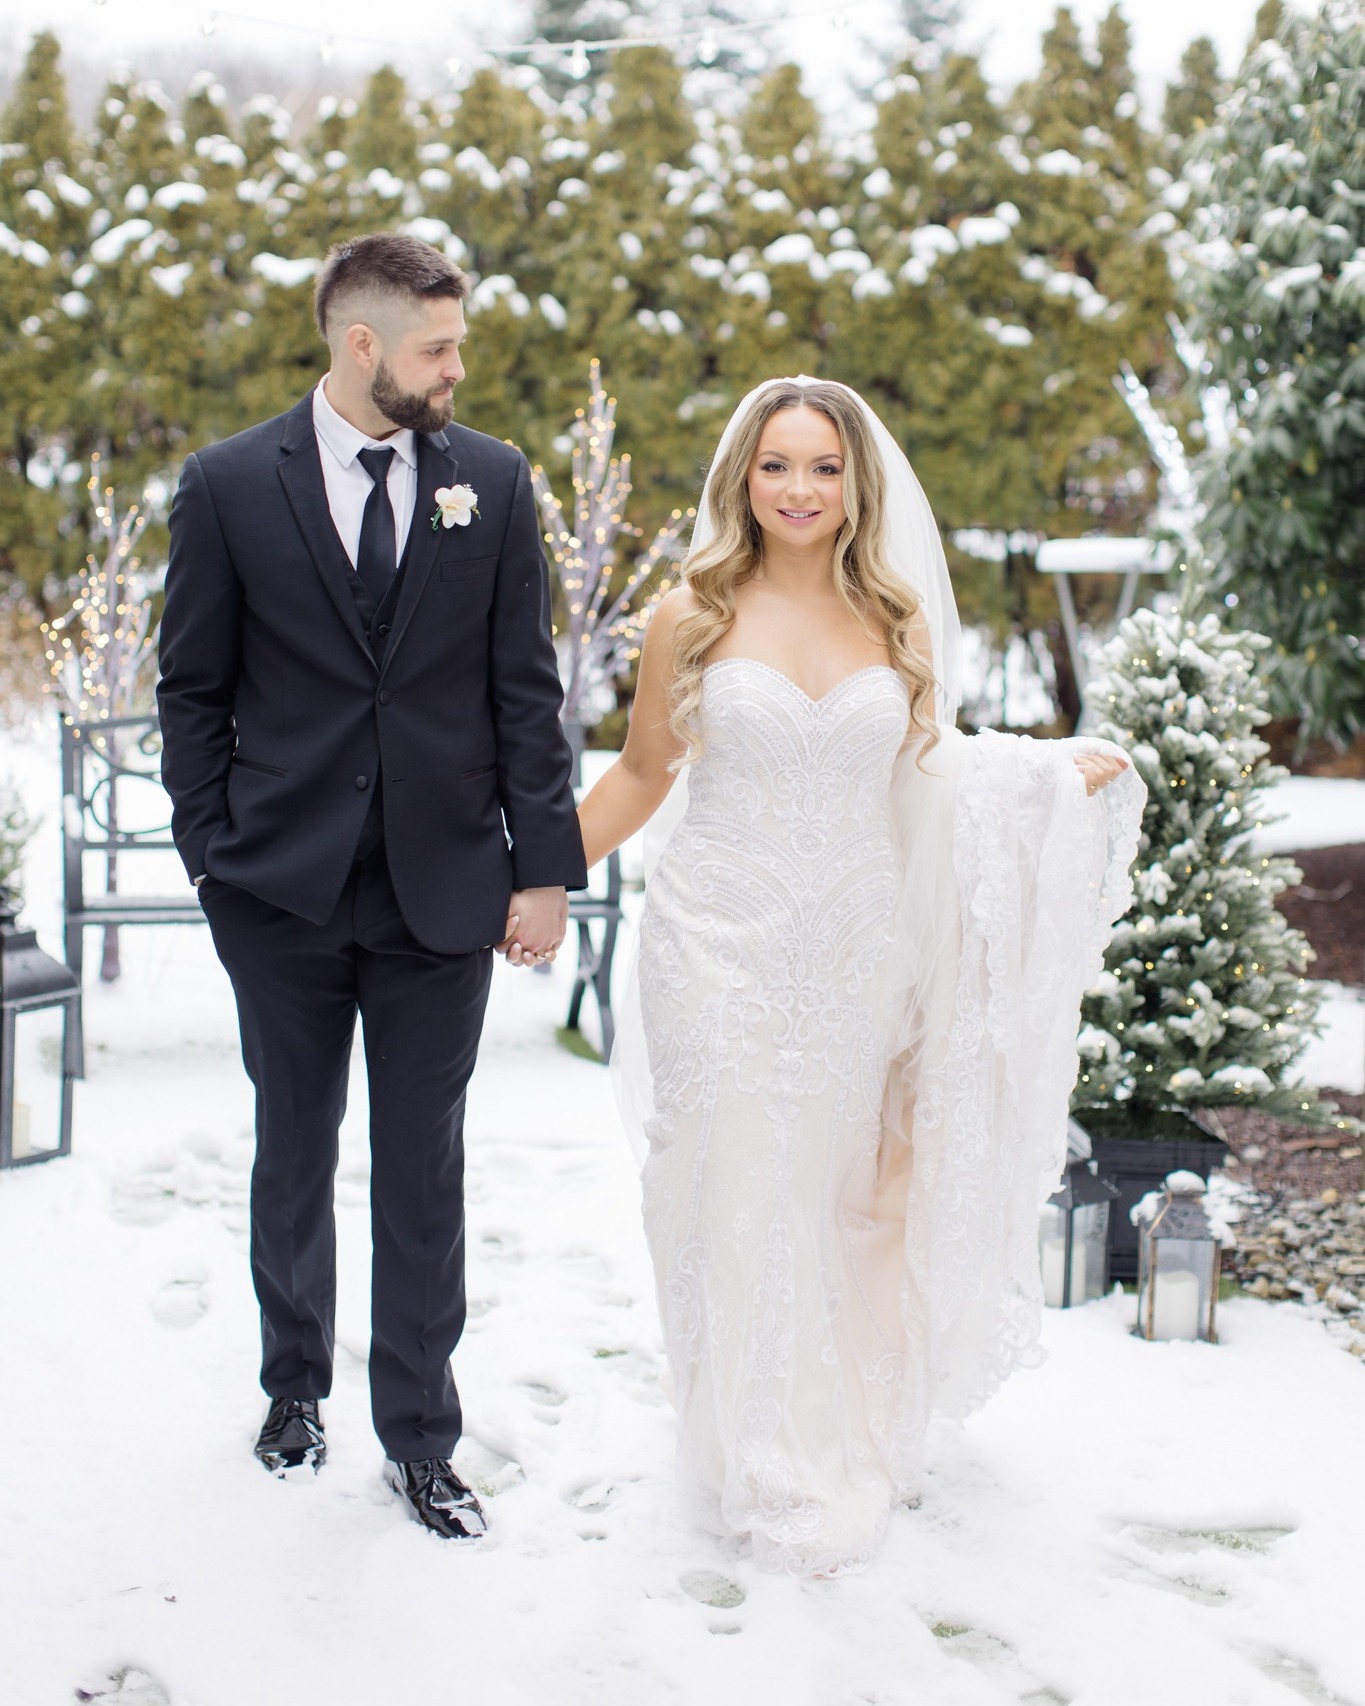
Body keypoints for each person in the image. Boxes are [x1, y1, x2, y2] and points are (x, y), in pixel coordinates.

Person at [577, 377, 1145, 1577]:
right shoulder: (691, 611)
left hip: (848, 949)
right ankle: (757, 1457)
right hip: (715, 941)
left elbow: (926, 776)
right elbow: (638, 774)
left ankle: (820, 1426)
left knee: (831, 1194)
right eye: (776, 465)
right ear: (743, 477)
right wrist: (522, 875)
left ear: (854, 484)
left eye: (822, 467)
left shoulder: (892, 619)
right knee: (731, 1182)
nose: (798, 488)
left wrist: (1042, 779)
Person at [157, 232, 586, 1540]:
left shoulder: (494, 485)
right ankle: (293, 1384)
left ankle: (420, 1436)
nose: (457, 370)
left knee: (423, 1170)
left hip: (441, 894)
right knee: (293, 1152)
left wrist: (547, 868)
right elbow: (193, 689)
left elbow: (524, 690)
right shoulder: (229, 485)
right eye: (437, 348)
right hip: (279, 894)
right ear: (363, 347)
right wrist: (213, 856)